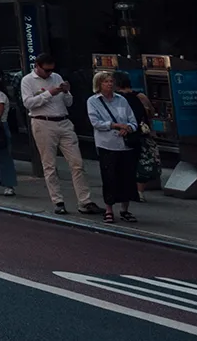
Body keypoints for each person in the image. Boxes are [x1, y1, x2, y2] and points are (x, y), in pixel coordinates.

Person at [22, 52, 99, 215]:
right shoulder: (27, 80)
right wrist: (50, 93)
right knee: (49, 164)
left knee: (77, 163)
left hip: (63, 121)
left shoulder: (56, 77)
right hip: (42, 122)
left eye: (51, 70)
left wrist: (65, 92)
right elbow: (28, 103)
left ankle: (85, 201)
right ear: (37, 66)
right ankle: (58, 201)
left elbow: (69, 102)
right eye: (46, 70)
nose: (49, 73)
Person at [87, 71, 142, 224]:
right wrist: (116, 125)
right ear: (99, 84)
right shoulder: (93, 101)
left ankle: (125, 209)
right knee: (109, 177)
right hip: (107, 144)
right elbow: (96, 123)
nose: (110, 84)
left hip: (125, 145)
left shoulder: (122, 100)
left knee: (127, 177)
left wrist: (128, 128)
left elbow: (132, 120)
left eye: (111, 81)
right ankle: (109, 209)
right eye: (106, 82)